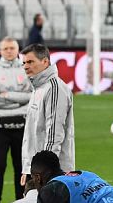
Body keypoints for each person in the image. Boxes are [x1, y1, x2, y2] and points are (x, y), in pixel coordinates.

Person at [0, 37, 33, 203]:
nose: (9, 51)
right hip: (0, 125)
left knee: (21, 166)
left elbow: (32, 95)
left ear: (18, 49)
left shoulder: (26, 69)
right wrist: (20, 99)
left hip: (22, 125)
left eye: (12, 48)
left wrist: (7, 95)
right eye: (6, 48)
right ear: (0, 50)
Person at [20, 43, 75, 188]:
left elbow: (54, 134)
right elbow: (32, 135)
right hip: (36, 170)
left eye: (30, 62)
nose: (25, 66)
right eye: (24, 63)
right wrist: (27, 168)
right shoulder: (38, 88)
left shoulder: (55, 88)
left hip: (49, 172)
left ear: (45, 61)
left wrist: (45, 171)